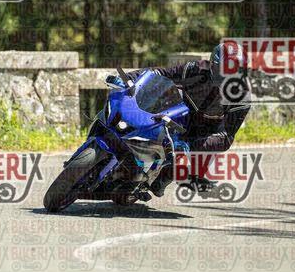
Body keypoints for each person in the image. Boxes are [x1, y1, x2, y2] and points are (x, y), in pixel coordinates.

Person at [107, 43, 251, 197]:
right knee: (148, 127)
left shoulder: (242, 96)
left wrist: (191, 146)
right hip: (181, 114)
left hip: (206, 133)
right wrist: (129, 78)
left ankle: (162, 179)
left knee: (172, 172)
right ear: (213, 65)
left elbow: (227, 136)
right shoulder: (194, 69)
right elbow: (160, 73)